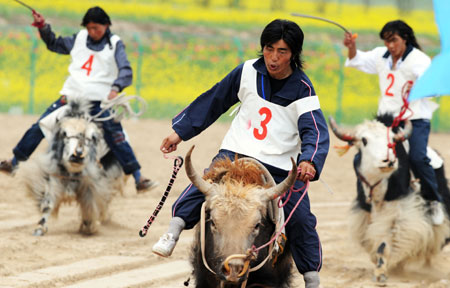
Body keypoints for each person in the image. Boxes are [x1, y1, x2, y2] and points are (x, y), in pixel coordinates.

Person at [152, 19, 329, 288]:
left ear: (294, 54)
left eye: (282, 51)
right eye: (269, 49)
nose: (273, 57)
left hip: (280, 165)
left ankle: (312, 279)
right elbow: (214, 100)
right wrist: (180, 133)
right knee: (203, 187)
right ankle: (172, 232)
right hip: (236, 154)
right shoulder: (246, 71)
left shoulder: (303, 88)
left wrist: (309, 161)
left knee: (301, 219)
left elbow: (314, 130)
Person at [0, 6, 157, 192]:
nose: (92, 32)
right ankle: (14, 163)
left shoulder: (115, 44)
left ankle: (138, 178)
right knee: (40, 125)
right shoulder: (79, 39)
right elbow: (54, 44)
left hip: (99, 102)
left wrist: (116, 88)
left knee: (116, 136)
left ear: (106, 25)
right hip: (71, 97)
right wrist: (43, 26)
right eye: (89, 28)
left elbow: (125, 69)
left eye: (96, 28)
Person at [343, 20, 444, 225]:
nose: (390, 45)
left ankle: (433, 200)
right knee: (361, 156)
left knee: (416, 157)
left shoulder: (419, 60)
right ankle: (366, 198)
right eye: (387, 41)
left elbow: (433, 87)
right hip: (386, 121)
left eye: (394, 40)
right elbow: (358, 59)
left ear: (405, 39)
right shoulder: (382, 55)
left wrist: (419, 88)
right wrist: (352, 48)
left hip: (414, 119)